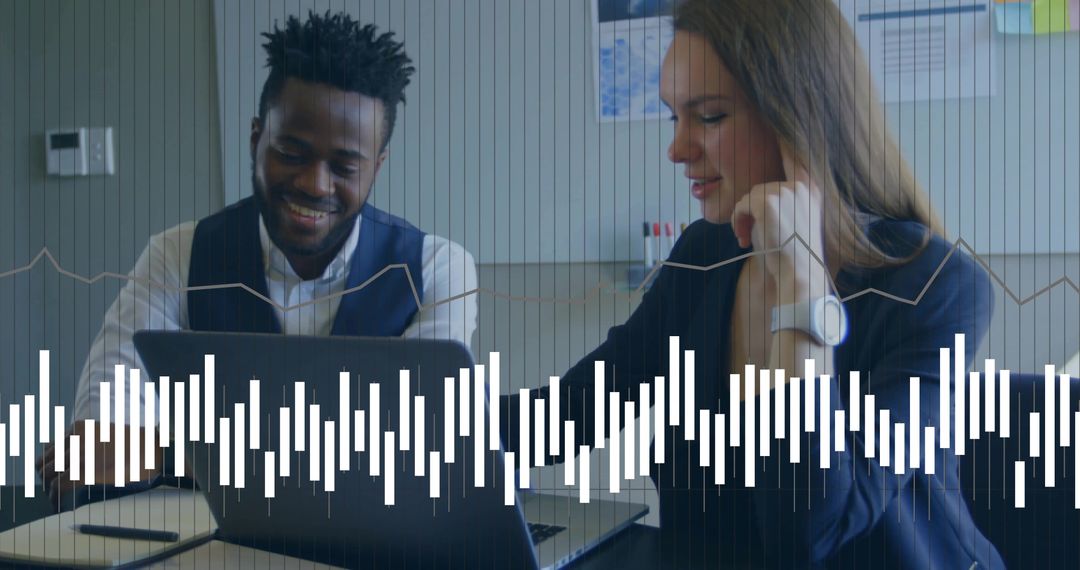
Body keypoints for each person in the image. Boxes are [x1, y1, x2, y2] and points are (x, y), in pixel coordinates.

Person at [503, 0, 1000, 568]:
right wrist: (421, 430)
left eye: (709, 117)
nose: (678, 149)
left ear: (800, 117)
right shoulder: (705, 254)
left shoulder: (935, 287)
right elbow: (576, 409)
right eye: (674, 117)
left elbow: (811, 534)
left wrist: (803, 290)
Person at [39, 11, 477, 505]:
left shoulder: (437, 270)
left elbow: (419, 454)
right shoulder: (177, 256)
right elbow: (99, 446)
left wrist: (163, 452)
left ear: (376, 167)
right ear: (255, 140)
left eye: (344, 165)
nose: (315, 184)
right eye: (292, 152)